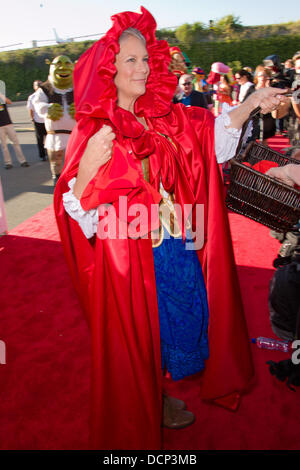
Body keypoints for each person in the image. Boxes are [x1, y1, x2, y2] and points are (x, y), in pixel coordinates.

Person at [54, 7, 287, 450]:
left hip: (176, 246)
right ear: (110, 68)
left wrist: (253, 102)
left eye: (146, 58)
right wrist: (86, 170)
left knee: (175, 327)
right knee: (138, 339)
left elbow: (209, 135)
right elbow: (75, 213)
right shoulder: (95, 129)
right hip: (128, 261)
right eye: (130, 60)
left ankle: (158, 394)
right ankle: (148, 405)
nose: (142, 67)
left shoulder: (163, 115)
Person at [33, 56, 76, 185]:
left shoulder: (79, 86)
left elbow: (91, 102)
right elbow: (37, 104)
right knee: (56, 160)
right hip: (55, 134)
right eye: (58, 64)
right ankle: (56, 181)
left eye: (67, 64)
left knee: (76, 161)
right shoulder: (44, 89)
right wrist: (48, 108)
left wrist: (82, 108)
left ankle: (75, 183)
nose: (63, 68)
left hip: (75, 134)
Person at [0, 87, 29, 169]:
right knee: (4, 145)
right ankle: (8, 163)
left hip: (8, 123)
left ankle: (22, 161)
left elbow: (9, 102)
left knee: (15, 142)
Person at [253, 65, 276, 146]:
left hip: (266, 116)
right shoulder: (252, 88)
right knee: (254, 137)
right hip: (254, 116)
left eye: (264, 75)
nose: (262, 77)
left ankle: (263, 155)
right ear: (257, 77)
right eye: (260, 75)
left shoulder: (269, 88)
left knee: (264, 138)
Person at [27, 80, 47, 161]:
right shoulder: (32, 97)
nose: (39, 86)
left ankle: (46, 153)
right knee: (41, 139)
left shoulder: (46, 95)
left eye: (40, 85)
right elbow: (31, 110)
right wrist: (32, 119)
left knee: (46, 138)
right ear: (34, 87)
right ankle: (43, 155)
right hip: (38, 121)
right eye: (37, 85)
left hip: (46, 120)